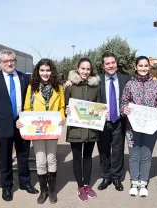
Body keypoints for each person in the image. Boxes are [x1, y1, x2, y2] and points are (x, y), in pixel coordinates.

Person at [64, 52, 130, 192]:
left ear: (116, 64)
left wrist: (153, 78)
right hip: (101, 122)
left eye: (113, 62)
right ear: (103, 66)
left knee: (118, 150)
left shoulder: (125, 79)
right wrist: (69, 82)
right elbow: (80, 87)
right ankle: (106, 176)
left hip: (118, 121)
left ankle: (116, 177)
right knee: (104, 151)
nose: (111, 65)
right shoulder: (96, 80)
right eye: (107, 63)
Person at [0, 49, 39, 202]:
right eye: (5, 61)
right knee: (5, 157)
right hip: (3, 125)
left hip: (22, 123)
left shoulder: (24, 78)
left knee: (23, 154)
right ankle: (7, 186)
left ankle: (25, 182)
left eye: (12, 60)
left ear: (15, 61)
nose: (9, 63)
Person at [15, 59, 65, 204]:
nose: (45, 73)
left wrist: (61, 118)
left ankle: (52, 190)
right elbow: (27, 109)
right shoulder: (32, 87)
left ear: (52, 71)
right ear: (38, 71)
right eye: (42, 70)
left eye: (47, 70)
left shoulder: (58, 87)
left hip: (52, 129)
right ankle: (43, 191)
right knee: (41, 160)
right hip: (36, 130)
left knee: (52, 159)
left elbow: (62, 107)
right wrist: (23, 121)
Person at [121, 56, 157, 197]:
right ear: (135, 67)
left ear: (149, 67)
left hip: (150, 128)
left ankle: (143, 183)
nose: (143, 68)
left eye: (146, 66)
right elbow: (123, 102)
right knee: (134, 156)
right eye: (140, 66)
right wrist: (124, 109)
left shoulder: (156, 85)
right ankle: (134, 182)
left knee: (146, 155)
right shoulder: (129, 84)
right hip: (132, 127)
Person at [64, 58, 101, 202]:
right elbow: (65, 104)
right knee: (77, 157)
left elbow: (98, 105)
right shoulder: (70, 85)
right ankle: (80, 186)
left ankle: (87, 184)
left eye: (88, 69)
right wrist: (66, 109)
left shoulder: (96, 86)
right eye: (82, 68)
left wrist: (102, 113)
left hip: (91, 128)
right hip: (75, 129)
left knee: (88, 157)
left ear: (91, 70)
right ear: (77, 68)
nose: (85, 72)